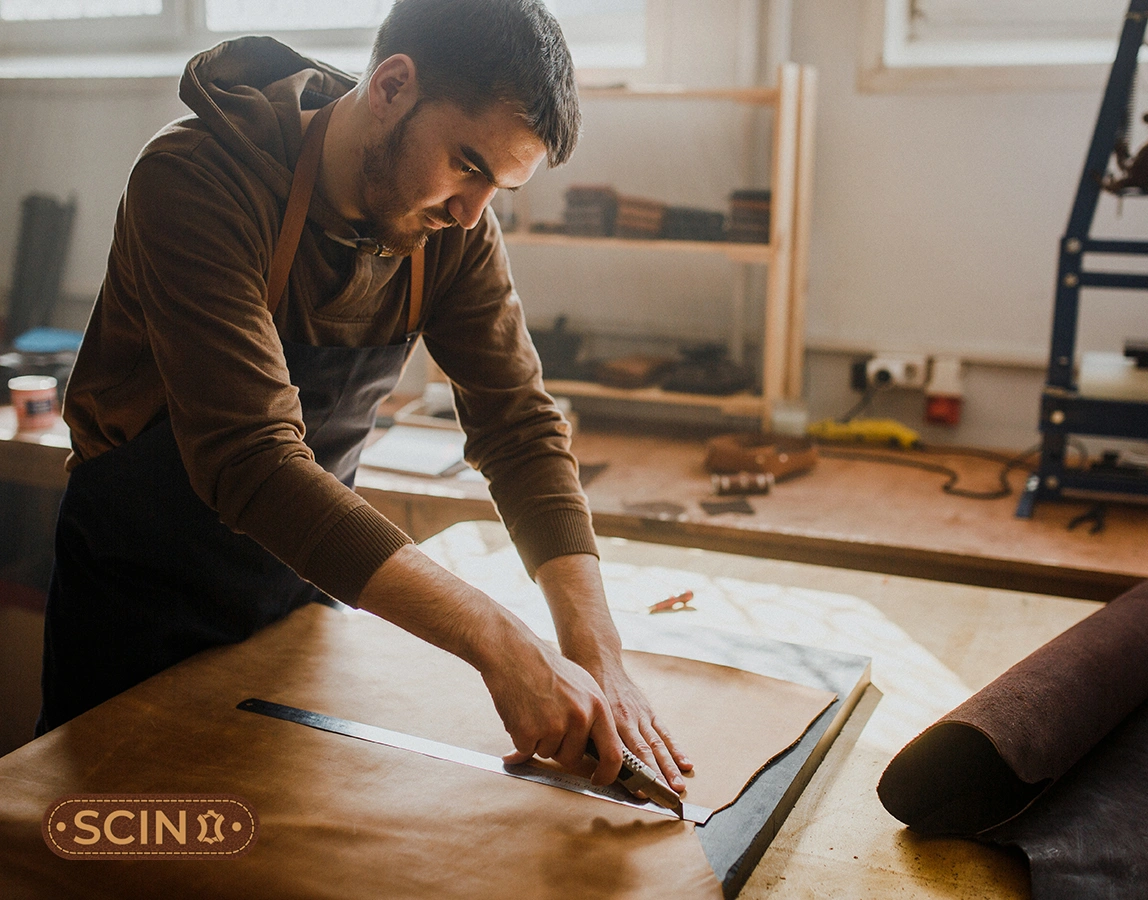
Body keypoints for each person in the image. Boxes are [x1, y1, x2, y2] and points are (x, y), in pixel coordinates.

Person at [38, 0, 691, 796]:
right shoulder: (196, 179)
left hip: (298, 602)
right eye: (469, 165)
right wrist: (503, 644)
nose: (471, 212)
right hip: (137, 604)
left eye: (499, 189)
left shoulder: (452, 231)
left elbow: (519, 429)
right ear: (391, 86)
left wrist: (596, 653)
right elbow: (255, 464)